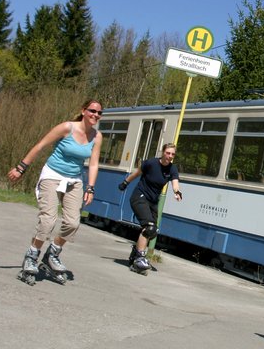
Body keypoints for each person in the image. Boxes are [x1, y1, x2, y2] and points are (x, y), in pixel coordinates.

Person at [10, 99, 103, 284]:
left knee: (73, 223)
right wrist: (21, 167)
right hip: (52, 175)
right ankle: (32, 255)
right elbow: (40, 146)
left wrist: (91, 188)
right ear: (83, 111)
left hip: (74, 180)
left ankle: (52, 253)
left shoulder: (96, 136)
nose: (96, 115)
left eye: (99, 113)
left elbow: (93, 163)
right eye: (92, 111)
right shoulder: (66, 128)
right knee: (48, 219)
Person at [117, 143, 182, 274]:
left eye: (172, 154)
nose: (170, 156)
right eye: (168, 153)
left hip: (152, 202)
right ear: (163, 152)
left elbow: (175, 182)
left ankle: (135, 254)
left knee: (153, 231)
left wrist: (177, 191)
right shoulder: (151, 163)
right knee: (149, 227)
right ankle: (140, 258)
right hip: (139, 196)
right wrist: (126, 182)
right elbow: (137, 173)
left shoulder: (172, 169)